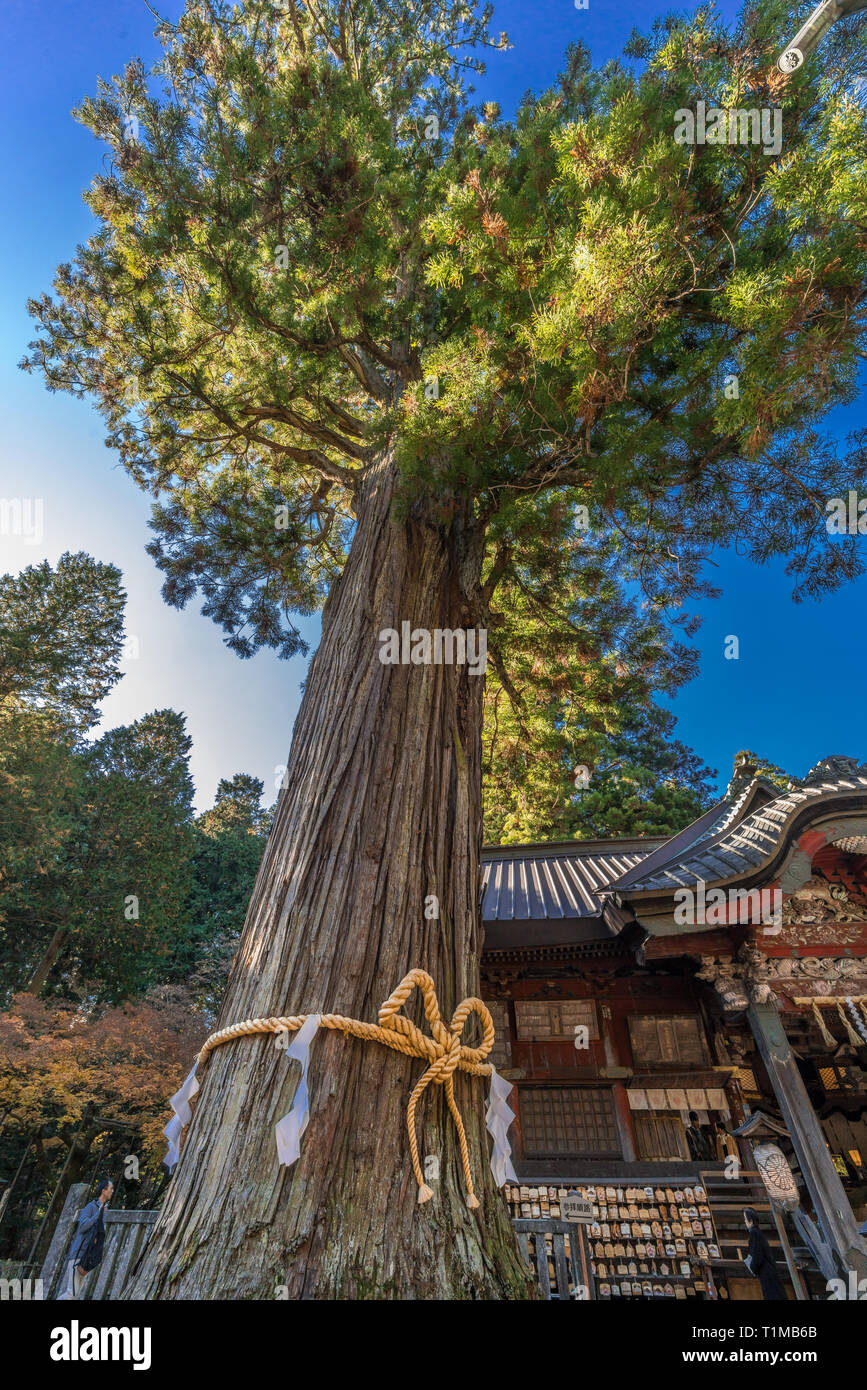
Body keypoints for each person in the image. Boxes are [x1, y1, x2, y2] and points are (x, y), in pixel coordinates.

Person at [57, 1176, 113, 1300]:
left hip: (87, 1257)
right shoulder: (91, 1207)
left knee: (75, 1295)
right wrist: (97, 1215)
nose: (112, 1191)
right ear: (103, 1190)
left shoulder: (103, 1209)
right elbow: (82, 1227)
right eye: (110, 1188)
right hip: (78, 1255)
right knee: (71, 1293)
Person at [743, 1206, 787, 1301]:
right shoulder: (758, 1232)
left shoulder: (754, 1233)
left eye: (745, 1219)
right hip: (768, 1269)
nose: (745, 1222)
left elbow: (757, 1254)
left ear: (750, 1221)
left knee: (772, 1295)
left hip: (766, 1271)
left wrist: (752, 1268)